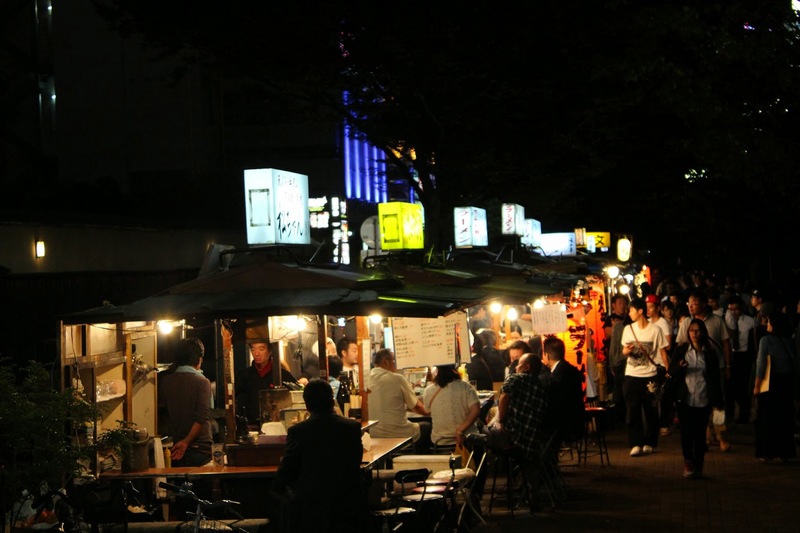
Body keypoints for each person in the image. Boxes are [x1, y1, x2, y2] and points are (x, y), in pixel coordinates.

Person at [274, 379, 365, 533]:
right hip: (348, 503)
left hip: (311, 507)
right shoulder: (352, 427)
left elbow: (287, 469)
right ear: (331, 400)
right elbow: (356, 461)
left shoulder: (299, 431)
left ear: (307, 405)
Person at [485, 353, 549, 512]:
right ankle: (534, 498)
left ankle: (476, 490)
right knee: (530, 461)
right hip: (532, 440)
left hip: (512, 437)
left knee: (479, 433)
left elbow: (505, 395)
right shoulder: (541, 385)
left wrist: (501, 420)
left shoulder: (515, 379)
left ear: (527, 367)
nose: (515, 365)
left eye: (519, 363)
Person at [675, 288, 732, 452]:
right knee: (701, 402)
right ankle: (707, 436)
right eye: (689, 303)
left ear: (704, 304)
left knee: (717, 403)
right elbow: (680, 345)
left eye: (695, 303)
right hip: (693, 369)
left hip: (715, 368)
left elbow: (726, 343)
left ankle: (721, 436)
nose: (691, 306)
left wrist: (728, 365)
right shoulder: (686, 323)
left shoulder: (717, 321)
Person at [669, 319, 724, 479]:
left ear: (703, 332)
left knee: (700, 434)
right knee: (686, 432)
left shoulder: (710, 353)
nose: (694, 333)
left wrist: (718, 401)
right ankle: (688, 461)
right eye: (691, 330)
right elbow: (671, 371)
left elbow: (715, 377)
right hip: (684, 398)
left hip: (703, 397)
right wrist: (679, 366)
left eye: (697, 330)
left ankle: (699, 462)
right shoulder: (681, 350)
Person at [621, 298, 669, 457]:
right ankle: (635, 443)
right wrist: (626, 352)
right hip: (631, 375)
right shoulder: (628, 329)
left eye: (631, 310)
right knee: (632, 410)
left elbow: (663, 351)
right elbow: (623, 350)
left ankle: (649, 442)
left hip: (650, 376)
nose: (629, 313)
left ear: (640, 311)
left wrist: (667, 370)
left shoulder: (655, 330)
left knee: (651, 410)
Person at [158, 338, 213, 467]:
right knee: (200, 487)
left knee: (180, 486)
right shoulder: (202, 382)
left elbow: (165, 412)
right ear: (199, 359)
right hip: (199, 448)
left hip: (176, 448)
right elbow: (201, 418)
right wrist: (186, 442)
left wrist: (181, 442)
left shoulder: (166, 381)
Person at [367, 348, 431, 453]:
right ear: (386, 362)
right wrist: (428, 411)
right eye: (393, 361)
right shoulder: (397, 378)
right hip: (397, 434)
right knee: (426, 426)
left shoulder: (366, 380)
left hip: (373, 434)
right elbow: (416, 407)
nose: (395, 365)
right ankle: (418, 463)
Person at [753, 313, 797, 463]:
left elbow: (761, 365)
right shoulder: (789, 341)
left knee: (767, 418)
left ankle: (767, 452)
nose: (767, 325)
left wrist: (756, 386)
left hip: (770, 382)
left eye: (770, 322)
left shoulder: (766, 340)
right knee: (784, 418)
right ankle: (784, 452)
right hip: (787, 382)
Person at [235, 340, 299, 426]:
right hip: (251, 425)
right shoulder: (244, 376)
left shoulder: (282, 375)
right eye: (253, 349)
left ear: (270, 351)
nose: (256, 353)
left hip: (278, 424)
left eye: (261, 349)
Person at [541, 337, 585, 446]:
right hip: (573, 416)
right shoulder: (568, 368)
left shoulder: (559, 372)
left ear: (547, 355)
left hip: (565, 420)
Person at [725, 296, 756, 424]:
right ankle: (730, 413)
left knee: (743, 387)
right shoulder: (726, 321)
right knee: (730, 386)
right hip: (731, 355)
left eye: (736, 309)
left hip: (743, 356)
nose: (733, 313)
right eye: (730, 310)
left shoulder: (750, 321)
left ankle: (744, 414)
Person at [647, 294, 675, 436]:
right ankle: (653, 424)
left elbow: (668, 345)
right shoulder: (646, 323)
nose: (648, 310)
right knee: (651, 396)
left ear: (658, 308)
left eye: (651, 307)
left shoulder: (663, 323)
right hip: (649, 365)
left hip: (661, 364)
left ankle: (664, 423)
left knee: (663, 396)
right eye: (646, 307)